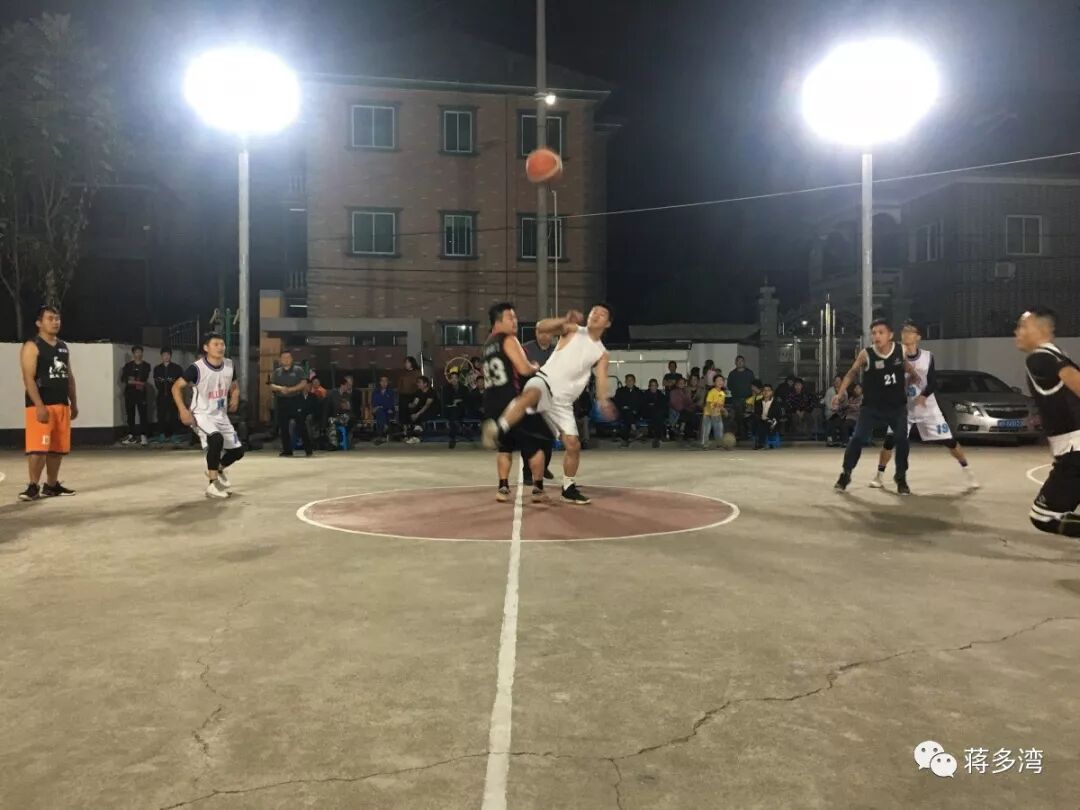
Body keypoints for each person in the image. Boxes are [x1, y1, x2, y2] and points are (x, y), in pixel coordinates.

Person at [482, 304, 615, 505]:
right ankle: (498, 429)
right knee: (532, 393)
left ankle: (568, 488)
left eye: (602, 313)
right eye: (593, 311)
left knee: (573, 444)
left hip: (563, 403)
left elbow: (602, 378)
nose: (596, 314)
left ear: (608, 323)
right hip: (545, 381)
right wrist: (564, 319)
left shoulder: (602, 353)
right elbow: (541, 326)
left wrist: (604, 399)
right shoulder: (573, 329)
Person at [872, 322, 978, 490]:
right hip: (904, 407)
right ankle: (879, 476)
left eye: (910, 332)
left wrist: (923, 395)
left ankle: (969, 472)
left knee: (949, 441)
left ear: (918, 337)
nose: (906, 334)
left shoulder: (928, 356)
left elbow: (933, 382)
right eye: (904, 331)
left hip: (927, 406)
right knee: (889, 441)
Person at [1015, 308, 1080, 537]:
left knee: (1045, 517)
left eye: (1023, 326)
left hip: (1075, 451)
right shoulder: (1057, 355)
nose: (1017, 332)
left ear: (1042, 329)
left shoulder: (1040, 358)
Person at [833, 319, 917, 494]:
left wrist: (913, 375)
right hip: (872, 407)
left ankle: (901, 477)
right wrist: (840, 393)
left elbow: (906, 366)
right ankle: (845, 474)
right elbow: (851, 373)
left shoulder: (900, 350)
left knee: (902, 440)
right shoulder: (866, 354)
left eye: (881, 332)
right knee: (858, 438)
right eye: (874, 333)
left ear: (890, 335)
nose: (877, 336)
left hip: (896, 407)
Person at [481, 302, 552, 502]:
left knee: (505, 446)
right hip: (514, 403)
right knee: (537, 445)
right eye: (510, 317)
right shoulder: (509, 339)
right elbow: (523, 368)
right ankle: (538, 489)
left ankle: (503, 487)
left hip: (492, 402)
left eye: (515, 317)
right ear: (498, 321)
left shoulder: (487, 344)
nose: (515, 321)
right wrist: (535, 366)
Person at [172, 333, 243, 498]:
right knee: (216, 439)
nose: (220, 347)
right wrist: (183, 410)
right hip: (201, 413)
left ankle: (217, 468)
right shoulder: (197, 368)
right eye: (216, 344)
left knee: (238, 451)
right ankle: (212, 485)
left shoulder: (229, 364)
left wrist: (235, 396)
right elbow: (176, 387)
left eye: (222, 344)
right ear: (206, 348)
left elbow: (234, 385)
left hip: (220, 414)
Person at [18, 305, 78, 501]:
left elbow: (69, 377)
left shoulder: (63, 347)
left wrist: (74, 402)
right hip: (41, 406)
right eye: (50, 318)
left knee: (57, 449)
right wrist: (39, 405)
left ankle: (51, 485)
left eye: (57, 318)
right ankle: (33, 486)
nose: (55, 322)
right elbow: (28, 378)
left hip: (61, 405)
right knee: (38, 449)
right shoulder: (32, 345)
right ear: (39, 323)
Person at [270, 350, 312, 457]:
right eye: (284, 358)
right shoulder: (277, 372)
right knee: (283, 427)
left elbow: (303, 383)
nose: (286, 360)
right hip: (282, 401)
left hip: (296, 400)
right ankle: (287, 450)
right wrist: (281, 388)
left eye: (288, 357)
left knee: (301, 425)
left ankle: (308, 449)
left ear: (292, 359)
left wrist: (291, 389)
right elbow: (271, 385)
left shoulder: (298, 370)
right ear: (280, 360)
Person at [120, 345, 151, 446]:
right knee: (130, 415)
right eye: (136, 352)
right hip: (130, 393)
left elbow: (144, 379)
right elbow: (125, 379)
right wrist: (137, 382)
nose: (138, 354)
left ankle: (143, 436)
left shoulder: (146, 365)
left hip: (141, 393)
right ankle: (131, 435)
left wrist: (132, 380)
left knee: (143, 414)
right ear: (133, 354)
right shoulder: (128, 366)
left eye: (140, 352)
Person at [153, 348, 185, 442]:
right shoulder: (157, 368)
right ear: (161, 356)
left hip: (174, 396)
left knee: (174, 415)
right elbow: (157, 382)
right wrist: (167, 382)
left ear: (170, 356)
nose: (166, 357)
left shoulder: (177, 368)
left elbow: (180, 381)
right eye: (164, 355)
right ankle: (161, 434)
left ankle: (175, 435)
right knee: (161, 415)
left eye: (168, 355)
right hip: (161, 395)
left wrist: (170, 383)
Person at [727, 356, 755, 438]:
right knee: (738, 417)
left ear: (744, 362)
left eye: (741, 361)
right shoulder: (732, 374)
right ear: (735, 362)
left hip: (748, 399)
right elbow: (729, 386)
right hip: (736, 399)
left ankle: (747, 433)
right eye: (738, 361)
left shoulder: (749, 373)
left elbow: (753, 386)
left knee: (748, 417)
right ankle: (739, 434)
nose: (739, 362)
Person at [614, 373, 645, 447]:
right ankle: (634, 429)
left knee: (628, 417)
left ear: (634, 381)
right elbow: (617, 402)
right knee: (627, 415)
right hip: (623, 412)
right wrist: (623, 407)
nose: (629, 382)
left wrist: (634, 410)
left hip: (635, 413)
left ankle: (625, 440)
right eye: (628, 380)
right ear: (625, 381)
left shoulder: (638, 392)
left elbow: (641, 404)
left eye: (631, 380)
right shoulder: (620, 391)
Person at [404, 376, 437, 444]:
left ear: (425, 384)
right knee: (409, 413)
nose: (417, 384)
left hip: (431, 410)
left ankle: (416, 437)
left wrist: (417, 414)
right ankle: (411, 434)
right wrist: (410, 406)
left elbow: (427, 405)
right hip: (421, 410)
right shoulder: (418, 391)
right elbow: (415, 403)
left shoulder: (432, 392)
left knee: (419, 416)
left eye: (419, 382)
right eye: (417, 382)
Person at [443, 370, 468, 449]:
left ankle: (452, 439)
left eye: (455, 378)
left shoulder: (464, 388)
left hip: (460, 410)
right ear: (450, 379)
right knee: (453, 416)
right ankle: (459, 427)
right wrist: (452, 403)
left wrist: (459, 401)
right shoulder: (445, 388)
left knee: (453, 418)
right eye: (452, 378)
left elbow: (468, 400)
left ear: (458, 379)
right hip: (449, 409)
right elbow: (444, 400)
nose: (454, 380)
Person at [701, 373, 727, 449]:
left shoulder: (722, 393)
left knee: (719, 429)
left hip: (717, 414)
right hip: (708, 414)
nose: (720, 382)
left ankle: (719, 444)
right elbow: (708, 403)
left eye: (721, 380)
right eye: (718, 380)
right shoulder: (712, 392)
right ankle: (705, 444)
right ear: (714, 383)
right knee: (706, 430)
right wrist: (711, 412)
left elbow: (720, 405)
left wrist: (724, 410)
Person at [754, 383, 782, 449]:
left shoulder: (776, 403)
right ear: (762, 392)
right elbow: (756, 413)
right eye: (764, 390)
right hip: (761, 420)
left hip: (772, 421)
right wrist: (762, 418)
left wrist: (769, 419)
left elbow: (778, 415)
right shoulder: (758, 402)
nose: (766, 392)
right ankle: (763, 443)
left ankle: (762, 444)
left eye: (768, 390)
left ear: (771, 392)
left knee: (764, 425)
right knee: (758, 423)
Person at [822, 375, 847, 447]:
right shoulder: (829, 390)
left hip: (840, 412)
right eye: (835, 381)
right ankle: (834, 440)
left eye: (838, 381)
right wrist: (832, 408)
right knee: (833, 420)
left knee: (840, 422)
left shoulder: (844, 391)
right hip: (830, 412)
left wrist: (840, 405)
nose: (837, 382)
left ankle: (842, 441)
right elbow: (827, 402)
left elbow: (845, 403)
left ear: (841, 382)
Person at [643, 378, 667, 448]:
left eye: (655, 385)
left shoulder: (661, 395)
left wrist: (654, 405)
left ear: (657, 386)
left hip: (658, 414)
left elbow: (664, 405)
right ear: (649, 386)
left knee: (658, 415)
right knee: (657, 415)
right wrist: (653, 406)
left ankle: (656, 437)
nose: (653, 387)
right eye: (652, 385)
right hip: (648, 413)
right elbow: (644, 405)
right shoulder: (645, 394)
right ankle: (659, 436)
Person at [668, 376, 693, 442]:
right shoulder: (673, 392)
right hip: (676, 409)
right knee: (683, 413)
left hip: (684, 410)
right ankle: (680, 429)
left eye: (683, 383)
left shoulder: (686, 391)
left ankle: (683, 429)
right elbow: (674, 403)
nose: (682, 384)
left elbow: (689, 402)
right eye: (680, 383)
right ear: (677, 384)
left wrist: (686, 396)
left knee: (689, 414)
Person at [372, 375, 396, 444]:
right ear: (380, 382)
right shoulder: (376, 392)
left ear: (388, 383)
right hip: (378, 411)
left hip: (388, 411)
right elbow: (374, 402)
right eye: (382, 381)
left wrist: (380, 406)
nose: (384, 383)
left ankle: (380, 436)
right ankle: (385, 426)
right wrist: (381, 406)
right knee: (380, 412)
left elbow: (390, 404)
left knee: (381, 412)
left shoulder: (391, 392)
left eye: (386, 381)